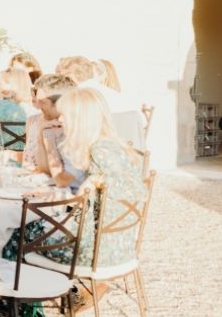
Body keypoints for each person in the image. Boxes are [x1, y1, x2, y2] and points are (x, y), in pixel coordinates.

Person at [41, 87, 146, 273]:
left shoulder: (100, 152)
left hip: (94, 252)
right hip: (120, 245)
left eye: (65, 115)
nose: (60, 119)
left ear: (80, 120)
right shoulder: (109, 146)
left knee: (18, 236)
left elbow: (86, 208)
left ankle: (21, 300)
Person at [24, 73, 75, 176]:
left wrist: (44, 137)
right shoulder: (34, 121)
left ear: (60, 103)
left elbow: (55, 174)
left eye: (42, 102)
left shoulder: (71, 129)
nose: (37, 105)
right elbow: (27, 162)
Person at [0, 68, 34, 150]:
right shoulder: (33, 110)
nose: (0, 85)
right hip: (28, 156)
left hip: (1, 155)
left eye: (5, 82)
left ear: (17, 85)